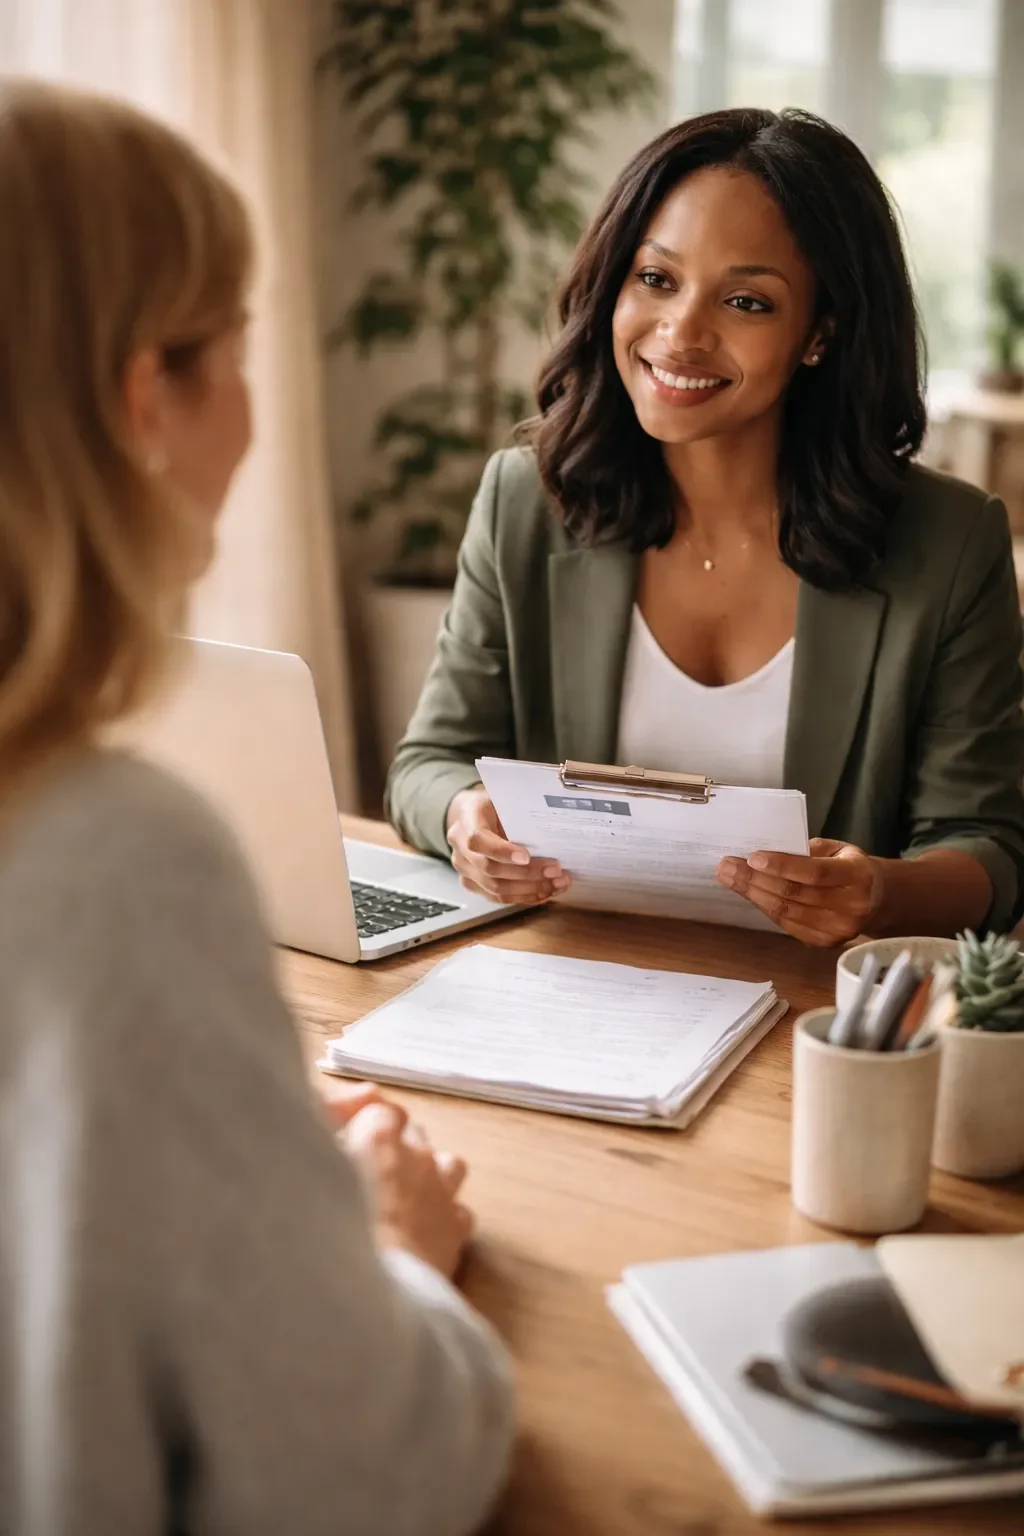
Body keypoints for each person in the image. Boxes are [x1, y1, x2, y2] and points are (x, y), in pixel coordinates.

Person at [0, 81, 512, 1536]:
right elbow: (353, 1475)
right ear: (143, 399)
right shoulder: (117, 859)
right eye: (235, 344)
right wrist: (398, 1252)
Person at [387, 108, 1024, 947]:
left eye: (747, 301)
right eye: (656, 278)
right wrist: (465, 817)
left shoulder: (948, 540)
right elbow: (427, 764)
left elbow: (987, 847)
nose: (682, 333)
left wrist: (878, 893)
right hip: (571, 972)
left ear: (821, 333)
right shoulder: (526, 500)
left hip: (812, 1001)